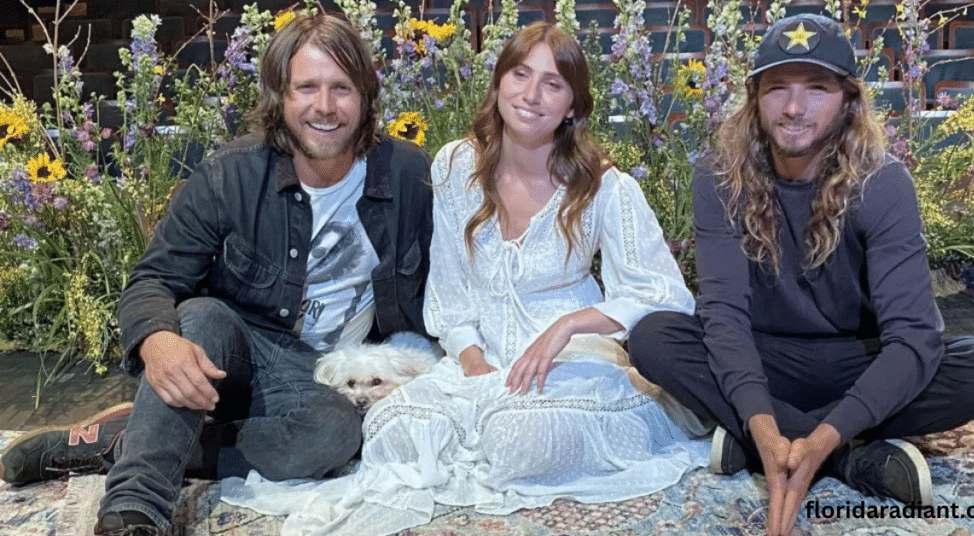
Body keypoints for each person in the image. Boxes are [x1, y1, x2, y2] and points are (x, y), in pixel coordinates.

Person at [218, 21, 709, 536]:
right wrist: (473, 363)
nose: (532, 95)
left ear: (572, 106)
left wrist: (569, 325)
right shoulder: (457, 166)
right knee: (392, 429)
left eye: (553, 83)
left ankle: (517, 437)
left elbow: (663, 292)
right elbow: (450, 293)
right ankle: (483, 431)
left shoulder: (604, 186)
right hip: (478, 358)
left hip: (570, 361)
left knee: (519, 435)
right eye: (520, 75)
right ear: (498, 85)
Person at [0, 13, 433, 536]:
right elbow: (154, 279)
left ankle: (128, 439)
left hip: (316, 370)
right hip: (234, 352)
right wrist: (157, 341)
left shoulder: (409, 175)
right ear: (280, 94)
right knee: (195, 318)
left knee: (336, 435)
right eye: (307, 88)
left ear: (365, 96)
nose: (324, 106)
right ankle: (136, 506)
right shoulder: (230, 173)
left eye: (341, 88)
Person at [627, 13, 974, 536]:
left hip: (856, 357)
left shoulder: (883, 182)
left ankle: (793, 443)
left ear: (848, 100)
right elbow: (723, 316)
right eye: (776, 89)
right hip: (767, 357)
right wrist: (767, 427)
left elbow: (913, 336)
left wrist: (819, 434)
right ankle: (849, 459)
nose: (793, 108)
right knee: (652, 338)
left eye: (816, 88)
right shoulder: (718, 176)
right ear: (754, 99)